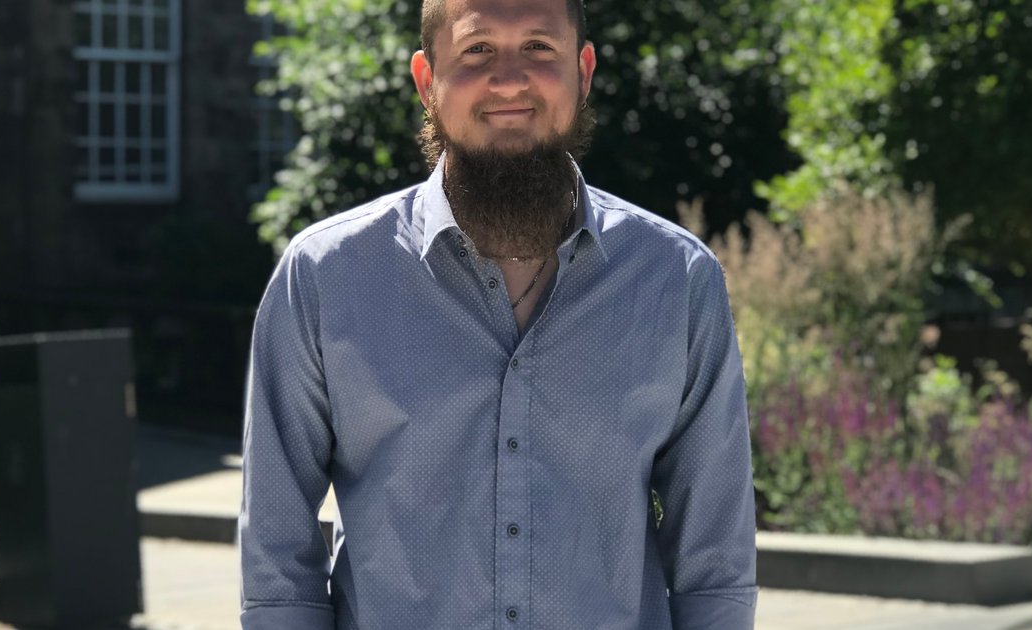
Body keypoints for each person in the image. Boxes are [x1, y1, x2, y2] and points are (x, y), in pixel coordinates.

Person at [237, 0, 758, 627]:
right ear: (427, 80)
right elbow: (277, 562)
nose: (509, 80)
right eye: (477, 49)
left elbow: (714, 564)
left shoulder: (676, 280)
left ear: (583, 72)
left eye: (539, 47)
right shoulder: (325, 276)